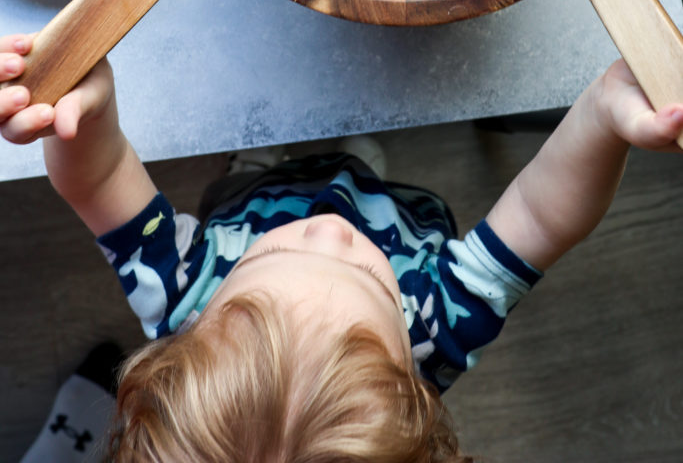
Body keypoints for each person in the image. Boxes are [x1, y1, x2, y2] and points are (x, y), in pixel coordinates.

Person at [1, 32, 681, 462]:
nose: (331, 228)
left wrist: (75, 110)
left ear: (188, 333)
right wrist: (599, 116)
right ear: (417, 394)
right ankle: (358, 158)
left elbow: (96, 182)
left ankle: (259, 161)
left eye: (263, 263)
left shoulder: (178, 298)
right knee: (358, 163)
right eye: (372, 280)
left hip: (254, 194)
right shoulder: (439, 334)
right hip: (393, 200)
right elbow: (539, 214)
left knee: (253, 166)